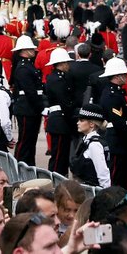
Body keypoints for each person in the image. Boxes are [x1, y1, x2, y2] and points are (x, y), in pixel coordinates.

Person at [97, 58, 127, 194]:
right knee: (116, 180)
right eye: (124, 74)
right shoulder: (112, 95)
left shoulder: (116, 92)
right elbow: (119, 123)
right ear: (118, 76)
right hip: (117, 141)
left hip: (120, 140)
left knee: (122, 180)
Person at [11, 35, 45, 166]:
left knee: (31, 140)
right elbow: (30, 91)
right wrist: (40, 106)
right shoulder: (23, 67)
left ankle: (29, 164)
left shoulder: (28, 65)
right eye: (30, 49)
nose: (33, 51)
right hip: (27, 108)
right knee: (25, 140)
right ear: (24, 50)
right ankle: (19, 165)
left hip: (31, 108)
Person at [44, 48, 76, 176]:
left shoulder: (60, 77)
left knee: (62, 155)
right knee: (58, 156)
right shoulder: (56, 79)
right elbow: (64, 102)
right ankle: (55, 180)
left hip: (61, 120)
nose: (68, 65)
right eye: (66, 63)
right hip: (60, 120)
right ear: (61, 64)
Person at [70, 104, 110, 188]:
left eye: (81, 120)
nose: (78, 123)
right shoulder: (86, 140)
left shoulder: (94, 145)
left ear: (91, 124)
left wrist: (105, 196)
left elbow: (103, 174)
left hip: (92, 192)